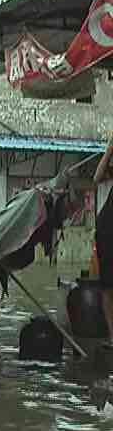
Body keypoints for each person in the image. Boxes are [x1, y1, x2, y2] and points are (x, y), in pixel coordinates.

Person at [94, 134, 113, 346]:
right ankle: (112, 336)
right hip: (108, 228)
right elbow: (96, 178)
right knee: (108, 286)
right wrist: (109, 148)